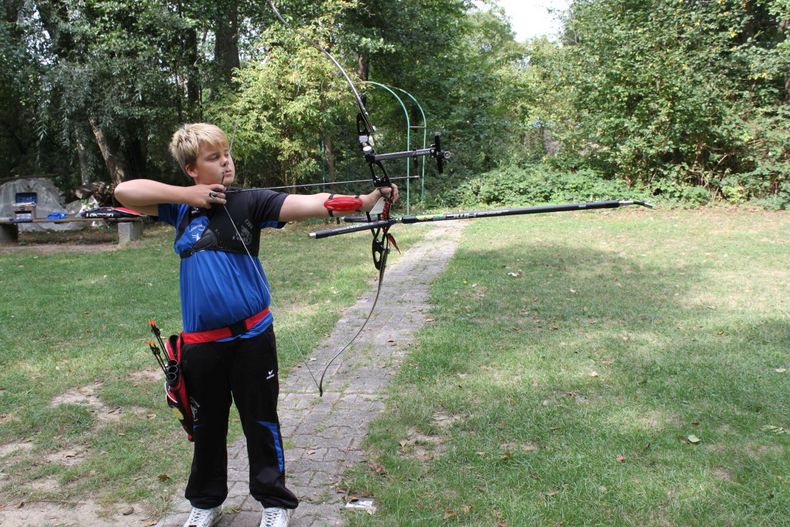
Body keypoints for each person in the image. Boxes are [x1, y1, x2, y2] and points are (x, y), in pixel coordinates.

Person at [115, 123, 398, 527]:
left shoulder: (250, 202)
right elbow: (124, 192)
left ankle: (274, 502)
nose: (226, 161)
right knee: (207, 425)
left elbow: (312, 202)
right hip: (201, 344)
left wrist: (367, 200)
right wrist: (187, 196)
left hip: (251, 337)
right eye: (214, 157)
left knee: (260, 421)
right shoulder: (178, 208)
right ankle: (206, 501)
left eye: (227, 153)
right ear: (192, 168)